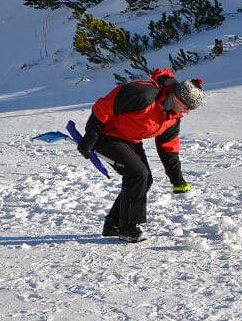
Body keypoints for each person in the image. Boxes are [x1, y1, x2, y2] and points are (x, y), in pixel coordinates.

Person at [76, 67, 204, 243]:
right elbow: (104, 107)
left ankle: (113, 223)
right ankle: (128, 227)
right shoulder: (144, 94)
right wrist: (90, 137)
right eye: (187, 106)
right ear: (177, 97)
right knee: (137, 174)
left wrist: (177, 178)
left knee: (145, 179)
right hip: (106, 135)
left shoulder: (173, 117)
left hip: (129, 140)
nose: (187, 112)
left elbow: (168, 147)